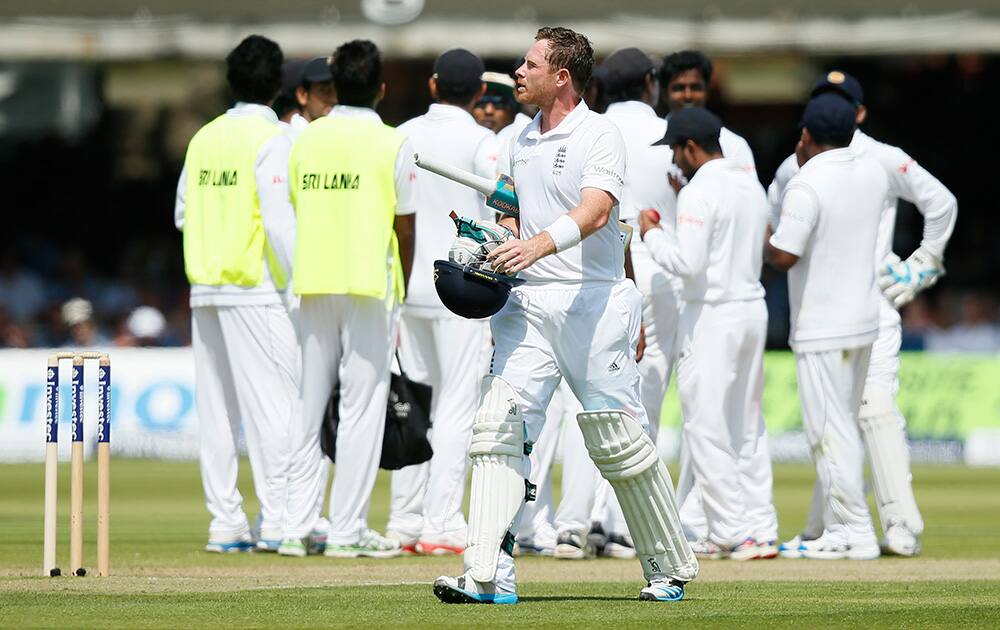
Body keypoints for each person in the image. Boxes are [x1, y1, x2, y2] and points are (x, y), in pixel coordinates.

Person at [433, 27, 697, 605]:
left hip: (592, 300)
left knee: (618, 438)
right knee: (500, 429)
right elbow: (508, 209)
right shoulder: (514, 138)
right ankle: (487, 577)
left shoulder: (600, 133)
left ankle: (667, 569)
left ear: (562, 76)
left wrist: (536, 244)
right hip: (527, 302)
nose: (517, 73)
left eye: (530, 64)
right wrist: (494, 244)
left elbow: (598, 210)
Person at [770, 71, 957, 558]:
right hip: (821, 309)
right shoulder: (798, 167)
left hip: (873, 306)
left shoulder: (882, 158)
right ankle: (824, 527)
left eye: (840, 102)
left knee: (869, 413)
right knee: (836, 422)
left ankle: (899, 524)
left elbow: (940, 203)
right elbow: (775, 225)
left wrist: (923, 266)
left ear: (859, 113)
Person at [279, 39, 417, 559]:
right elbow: (405, 228)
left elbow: (298, 206)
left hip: (314, 279)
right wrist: (399, 283)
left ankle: (294, 526)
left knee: (308, 402)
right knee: (361, 408)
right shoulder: (391, 141)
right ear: (381, 88)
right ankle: (346, 529)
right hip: (369, 285)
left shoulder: (305, 140)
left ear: (334, 86)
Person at [174, 34, 300, 553]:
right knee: (273, 406)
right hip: (257, 287)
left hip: (205, 285)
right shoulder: (274, 139)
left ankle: (226, 522)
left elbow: (182, 212)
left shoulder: (204, 137)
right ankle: (277, 520)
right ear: (277, 84)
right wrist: (296, 285)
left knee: (218, 410)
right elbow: (278, 223)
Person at [638, 107, 773, 559]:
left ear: (691, 147)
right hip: (752, 308)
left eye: (677, 150)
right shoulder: (749, 184)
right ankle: (754, 524)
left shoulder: (700, 192)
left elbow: (688, 264)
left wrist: (651, 234)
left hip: (713, 315)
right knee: (743, 424)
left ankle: (734, 531)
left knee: (705, 424)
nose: (675, 161)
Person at [385, 48, 498, 556]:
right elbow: (502, 214)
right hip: (461, 288)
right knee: (455, 406)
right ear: (478, 91)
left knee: (416, 400)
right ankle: (441, 522)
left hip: (410, 286)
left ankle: (405, 521)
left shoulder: (400, 134)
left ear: (433, 85)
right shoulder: (483, 140)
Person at [766, 92, 888, 560]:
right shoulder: (872, 171)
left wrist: (759, 232)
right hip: (863, 319)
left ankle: (854, 532)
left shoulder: (807, 179)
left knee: (828, 431)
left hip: (821, 323)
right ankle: (830, 526)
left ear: (806, 136)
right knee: (843, 427)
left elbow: (785, 253)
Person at [275, 56, 337, 139]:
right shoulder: (283, 137)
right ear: (303, 95)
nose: (335, 99)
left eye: (339, 92)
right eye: (326, 90)